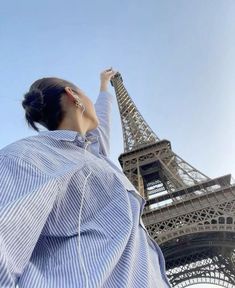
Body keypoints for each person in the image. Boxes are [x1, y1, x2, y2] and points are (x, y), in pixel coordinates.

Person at [0, 68, 171, 287]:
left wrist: (104, 86)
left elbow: (101, 122)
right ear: (73, 94)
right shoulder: (30, 155)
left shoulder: (93, 157)